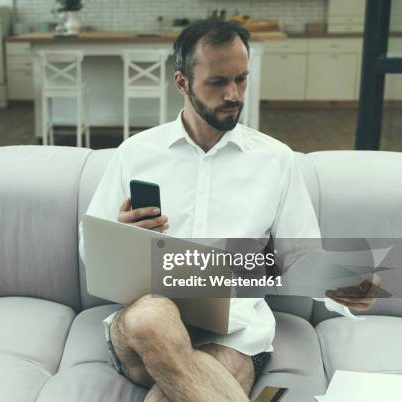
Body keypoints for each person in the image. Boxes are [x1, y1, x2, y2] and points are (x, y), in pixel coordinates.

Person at [79, 19, 379, 402]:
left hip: (235, 332)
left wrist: (342, 281)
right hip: (147, 328)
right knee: (151, 317)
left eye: (241, 79)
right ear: (182, 83)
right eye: (218, 82)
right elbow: (91, 250)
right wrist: (121, 232)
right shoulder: (135, 154)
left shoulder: (275, 160)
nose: (234, 94)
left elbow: (300, 256)